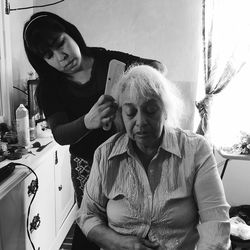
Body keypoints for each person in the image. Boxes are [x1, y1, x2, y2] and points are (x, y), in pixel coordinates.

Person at [23, 11, 166, 250]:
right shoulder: (50, 88)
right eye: (50, 55)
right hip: (87, 163)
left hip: (128, 158)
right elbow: (59, 134)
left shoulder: (107, 61)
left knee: (131, 220)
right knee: (91, 225)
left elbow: (157, 67)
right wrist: (87, 121)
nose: (62, 57)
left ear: (71, 34)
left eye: (61, 44)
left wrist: (131, 97)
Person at [76, 64, 231, 250]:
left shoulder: (196, 150)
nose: (140, 122)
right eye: (130, 112)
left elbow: (215, 222)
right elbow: (87, 215)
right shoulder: (105, 155)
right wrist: (120, 243)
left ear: (165, 111)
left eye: (150, 111)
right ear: (120, 115)